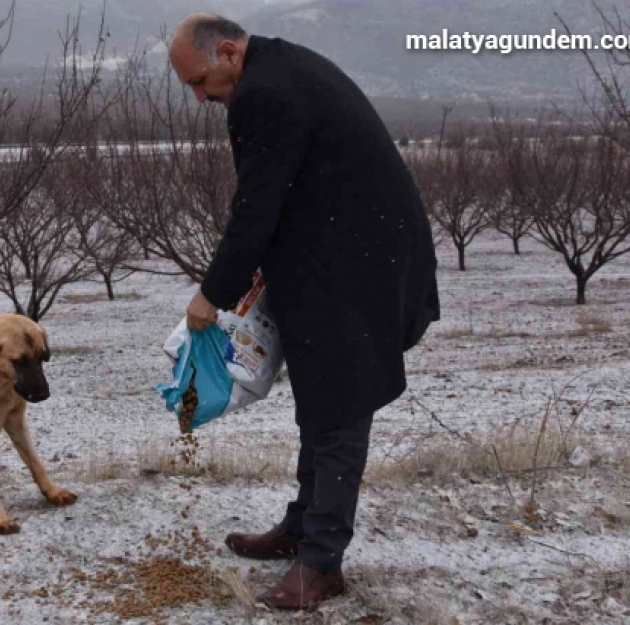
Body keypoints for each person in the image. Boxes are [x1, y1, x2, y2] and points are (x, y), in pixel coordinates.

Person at [168, 13, 440, 612]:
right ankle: (301, 527)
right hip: (343, 254)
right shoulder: (278, 69)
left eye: (200, 81)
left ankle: (321, 561)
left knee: (340, 408)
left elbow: (256, 208)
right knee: (319, 401)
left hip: (360, 267)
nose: (199, 97)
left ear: (230, 53)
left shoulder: (261, 94)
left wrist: (211, 296)